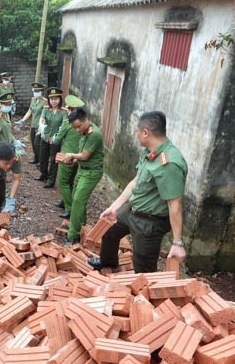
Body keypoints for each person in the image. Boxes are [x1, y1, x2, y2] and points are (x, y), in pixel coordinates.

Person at [88, 111, 188, 273]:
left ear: (146, 133)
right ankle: (108, 264)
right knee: (109, 231)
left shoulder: (170, 164)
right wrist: (114, 207)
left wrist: (177, 243)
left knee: (143, 265)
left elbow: (175, 205)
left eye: (137, 132)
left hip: (150, 221)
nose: (136, 135)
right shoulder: (148, 151)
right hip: (132, 209)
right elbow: (135, 181)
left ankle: (142, 295)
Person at [57, 105, 104, 244]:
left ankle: (73, 236)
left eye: (78, 126)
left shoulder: (94, 134)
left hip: (92, 172)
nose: (77, 130)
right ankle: (82, 228)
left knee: (78, 200)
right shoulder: (84, 132)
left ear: (86, 120)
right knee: (77, 200)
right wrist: (71, 160)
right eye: (74, 128)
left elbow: (84, 155)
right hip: (82, 170)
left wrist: (71, 155)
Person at [53, 95, 84, 218]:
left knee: (63, 182)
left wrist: (55, 136)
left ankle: (69, 208)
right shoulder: (83, 123)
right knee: (70, 180)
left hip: (66, 156)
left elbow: (58, 140)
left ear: (70, 110)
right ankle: (63, 201)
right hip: (78, 156)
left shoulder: (67, 123)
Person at [37, 87, 65, 187]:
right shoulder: (45, 109)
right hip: (45, 136)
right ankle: (43, 174)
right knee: (43, 157)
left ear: (59, 100)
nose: (54, 101)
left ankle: (51, 180)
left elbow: (64, 125)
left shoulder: (63, 111)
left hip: (56, 139)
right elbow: (41, 118)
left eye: (56, 99)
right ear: (49, 100)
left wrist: (58, 136)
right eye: (52, 99)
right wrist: (41, 125)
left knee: (54, 160)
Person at [16, 83, 46, 166]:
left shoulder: (45, 102)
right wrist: (23, 120)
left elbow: (45, 115)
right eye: (34, 91)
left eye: (37, 91)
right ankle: (36, 158)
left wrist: (42, 126)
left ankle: (41, 161)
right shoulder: (33, 100)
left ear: (42, 91)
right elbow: (30, 111)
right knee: (33, 143)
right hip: (33, 125)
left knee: (38, 144)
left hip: (40, 126)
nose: (35, 92)